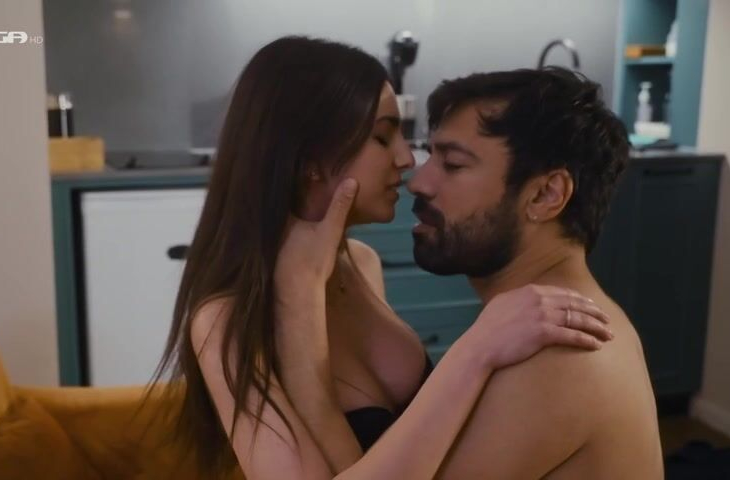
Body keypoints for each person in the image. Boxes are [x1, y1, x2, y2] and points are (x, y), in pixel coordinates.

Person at [154, 37, 613, 480]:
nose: (406, 159)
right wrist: (474, 352)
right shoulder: (225, 321)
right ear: (310, 158)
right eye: (381, 137)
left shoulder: (360, 264)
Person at [284, 67, 665, 478]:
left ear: (545, 194)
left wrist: (301, 342)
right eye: (430, 156)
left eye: (452, 164)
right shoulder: (550, 320)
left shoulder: (557, 358)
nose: (418, 182)